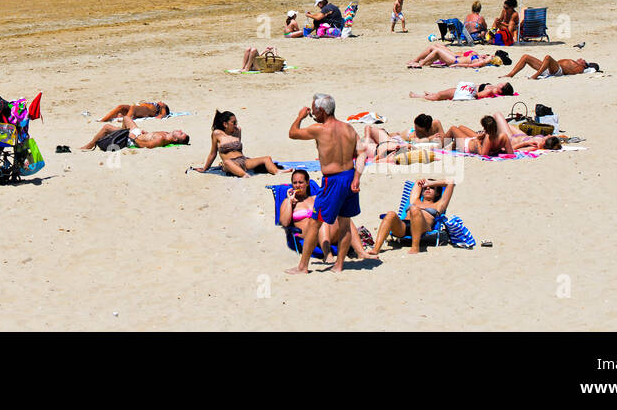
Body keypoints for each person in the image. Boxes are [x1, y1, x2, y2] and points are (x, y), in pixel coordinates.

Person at [286, 93, 373, 274]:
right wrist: (357, 177)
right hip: (350, 177)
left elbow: (292, 133)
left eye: (314, 111)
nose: (313, 114)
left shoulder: (319, 129)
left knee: (314, 223)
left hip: (332, 181)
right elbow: (363, 153)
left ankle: (302, 267)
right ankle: (339, 265)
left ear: (322, 111)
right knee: (345, 222)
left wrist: (300, 116)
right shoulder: (349, 129)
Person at [373, 178, 456, 254]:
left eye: (432, 187)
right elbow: (418, 183)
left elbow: (450, 182)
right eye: (425, 188)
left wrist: (431, 183)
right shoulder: (415, 200)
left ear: (438, 193)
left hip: (423, 227)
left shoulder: (439, 205)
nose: (427, 188)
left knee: (414, 209)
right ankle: (376, 249)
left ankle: (415, 247)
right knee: (390, 214)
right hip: (404, 227)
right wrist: (425, 182)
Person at [194, 111, 283, 177]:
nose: (236, 125)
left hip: (243, 160)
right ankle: (245, 175)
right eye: (233, 123)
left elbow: (238, 149)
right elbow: (213, 153)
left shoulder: (238, 131)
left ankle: (277, 172)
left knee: (267, 158)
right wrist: (205, 168)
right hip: (230, 163)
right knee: (227, 162)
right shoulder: (216, 134)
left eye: (236, 122)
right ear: (225, 124)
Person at [80, 114, 189, 151]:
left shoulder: (161, 139)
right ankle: (118, 131)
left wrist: (133, 138)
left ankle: (90, 145)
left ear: (175, 139)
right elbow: (150, 138)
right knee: (126, 118)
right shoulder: (165, 133)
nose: (180, 130)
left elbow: (147, 145)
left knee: (106, 127)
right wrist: (146, 133)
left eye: (180, 133)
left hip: (134, 139)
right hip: (139, 134)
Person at [442, 115, 516, 156]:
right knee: (461, 127)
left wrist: (477, 141)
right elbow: (510, 153)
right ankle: (454, 144)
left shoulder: (488, 138)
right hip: (473, 140)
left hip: (466, 145)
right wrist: (498, 150)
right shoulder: (504, 136)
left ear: (485, 128)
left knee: (453, 128)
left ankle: (440, 145)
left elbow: (483, 154)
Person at [503, 54, 600, 79]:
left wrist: (561, 69)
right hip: (549, 68)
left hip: (558, 70)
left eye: (584, 60)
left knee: (548, 57)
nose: (581, 58)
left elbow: (570, 72)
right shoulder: (576, 63)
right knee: (525, 57)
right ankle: (510, 74)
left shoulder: (580, 68)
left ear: (585, 64)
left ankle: (535, 75)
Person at [407, 46, 510, 69]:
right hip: (455, 57)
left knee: (437, 50)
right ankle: (417, 60)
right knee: (435, 46)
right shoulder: (486, 58)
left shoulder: (486, 60)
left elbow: (475, 65)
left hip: (454, 60)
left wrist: (457, 64)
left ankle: (420, 64)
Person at [410, 80, 514, 101]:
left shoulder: (490, 91)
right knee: (442, 93)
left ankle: (419, 96)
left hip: (465, 92)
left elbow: (477, 95)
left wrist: (465, 90)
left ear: (501, 91)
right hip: (465, 90)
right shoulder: (493, 88)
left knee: (440, 95)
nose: (500, 83)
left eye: (502, 84)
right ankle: (432, 94)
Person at [97, 101, 171, 121]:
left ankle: (126, 120)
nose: (161, 101)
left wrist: (163, 107)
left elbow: (162, 116)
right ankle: (103, 120)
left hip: (146, 111)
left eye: (163, 103)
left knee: (133, 108)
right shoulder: (157, 104)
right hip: (139, 109)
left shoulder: (159, 108)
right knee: (121, 107)